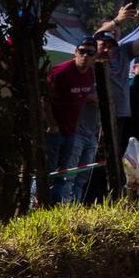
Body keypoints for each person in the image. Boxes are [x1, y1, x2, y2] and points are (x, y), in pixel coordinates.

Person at [44, 42, 100, 205]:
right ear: (75, 51)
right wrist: (51, 123)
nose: (85, 56)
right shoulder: (61, 72)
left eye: (90, 53)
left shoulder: (91, 74)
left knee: (63, 174)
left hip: (72, 131)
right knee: (49, 173)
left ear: (94, 57)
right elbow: (44, 98)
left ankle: (54, 208)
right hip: (55, 130)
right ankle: (37, 206)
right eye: (82, 51)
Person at [94, 2, 139, 149]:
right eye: (110, 28)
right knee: (97, 150)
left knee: (114, 150)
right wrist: (118, 20)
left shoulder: (124, 51)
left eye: (116, 30)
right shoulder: (95, 51)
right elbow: (96, 36)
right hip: (99, 111)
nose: (113, 32)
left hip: (121, 110)